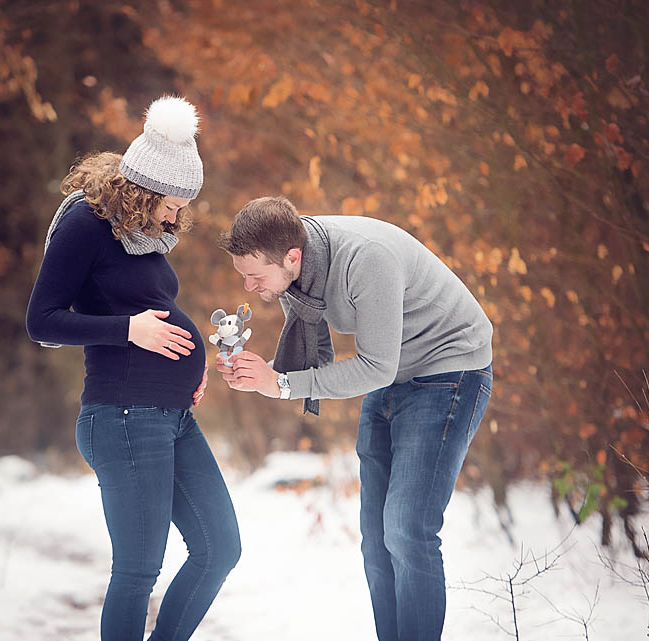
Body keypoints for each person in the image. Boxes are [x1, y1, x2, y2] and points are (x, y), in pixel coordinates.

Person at [215, 196, 493, 641]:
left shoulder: (366, 259)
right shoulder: (297, 273)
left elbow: (374, 366)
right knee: (376, 539)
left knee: (406, 529)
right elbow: (309, 367)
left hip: (449, 369)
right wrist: (261, 375)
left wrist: (282, 384)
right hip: (394, 373)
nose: (249, 287)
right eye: (243, 275)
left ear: (291, 257)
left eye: (254, 276)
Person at [26, 96, 240, 641]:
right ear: (143, 188)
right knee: (139, 571)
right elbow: (42, 320)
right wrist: (131, 330)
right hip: (122, 415)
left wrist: (192, 368)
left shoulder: (140, 236)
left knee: (220, 547)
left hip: (170, 415)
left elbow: (154, 308)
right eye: (172, 204)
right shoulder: (86, 223)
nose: (176, 217)